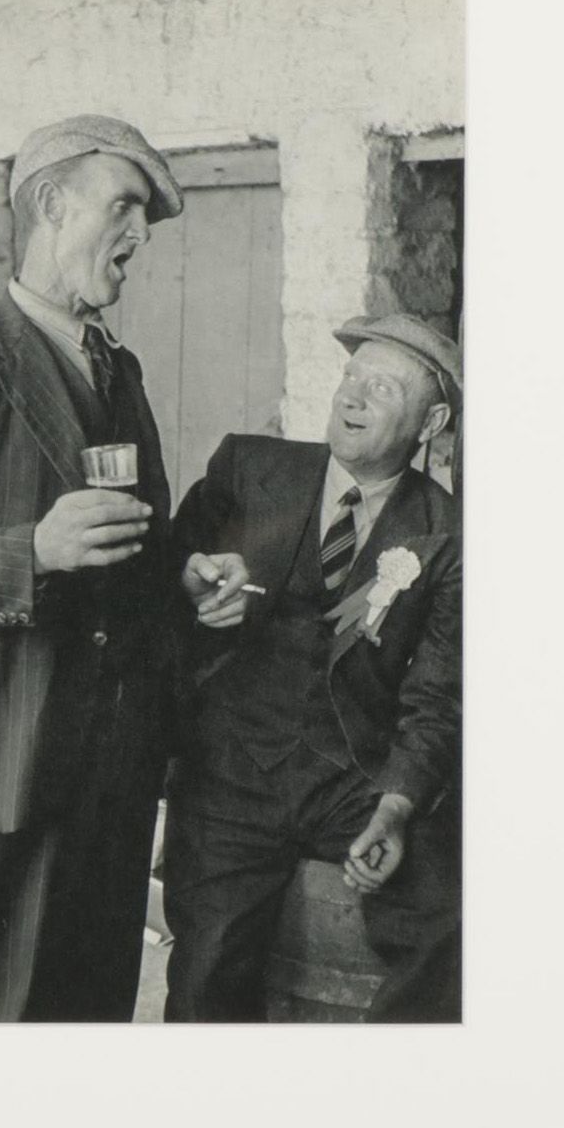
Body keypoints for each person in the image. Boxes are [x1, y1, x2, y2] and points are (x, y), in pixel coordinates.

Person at [0, 114, 232, 1020]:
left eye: (143, 218)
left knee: (91, 1017)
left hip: (111, 778)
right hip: (5, 770)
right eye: (123, 206)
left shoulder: (122, 369)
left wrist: (180, 577)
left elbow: (137, 545)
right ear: (49, 204)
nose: (138, 235)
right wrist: (35, 548)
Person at [163, 311, 464, 1022]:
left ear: (432, 421)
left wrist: (394, 808)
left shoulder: (447, 532)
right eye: (350, 379)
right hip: (234, 771)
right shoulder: (249, 468)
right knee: (207, 981)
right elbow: (161, 583)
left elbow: (438, 693)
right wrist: (191, 586)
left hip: (352, 778)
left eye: (382, 389)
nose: (351, 399)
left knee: (453, 921)